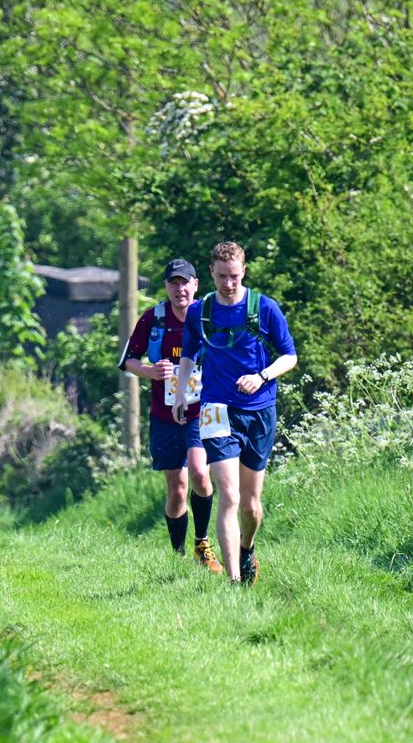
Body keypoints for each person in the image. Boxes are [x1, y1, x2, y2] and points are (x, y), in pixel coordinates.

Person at [172, 242, 297, 585]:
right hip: (215, 408)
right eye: (222, 276)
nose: (229, 283)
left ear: (244, 271)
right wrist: (182, 393)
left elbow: (290, 356)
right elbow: (188, 356)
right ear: (210, 273)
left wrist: (262, 376)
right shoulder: (201, 312)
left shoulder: (264, 308)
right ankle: (233, 581)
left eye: (235, 276)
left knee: (251, 505)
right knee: (228, 494)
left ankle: (247, 547)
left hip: (259, 411)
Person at [118, 258, 222, 573]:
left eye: (185, 282)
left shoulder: (208, 317)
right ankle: (177, 556)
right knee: (176, 489)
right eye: (173, 283)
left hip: (200, 411)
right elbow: (127, 361)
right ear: (166, 287)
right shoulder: (154, 319)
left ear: (196, 285)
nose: (180, 289)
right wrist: (151, 370)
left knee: (200, 474)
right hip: (164, 415)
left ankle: (202, 544)